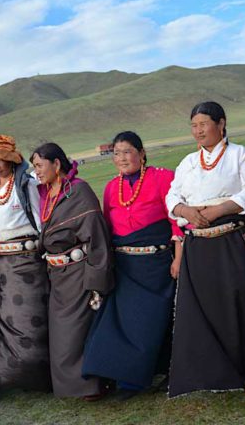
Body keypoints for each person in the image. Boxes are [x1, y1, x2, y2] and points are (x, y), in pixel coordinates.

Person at [165, 101, 245, 398]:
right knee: (204, 309)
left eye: (203, 124)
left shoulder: (240, 155)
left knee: (240, 305)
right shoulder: (187, 162)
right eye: (193, 125)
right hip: (198, 245)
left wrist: (218, 209)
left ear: (221, 124)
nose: (198, 130)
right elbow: (172, 195)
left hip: (232, 240)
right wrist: (184, 209)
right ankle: (213, 374)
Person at [83, 131, 181, 399]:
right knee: (121, 323)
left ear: (141, 152)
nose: (122, 158)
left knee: (147, 323)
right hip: (125, 266)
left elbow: (176, 220)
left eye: (127, 151)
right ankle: (125, 377)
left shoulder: (163, 177)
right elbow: (107, 224)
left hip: (156, 265)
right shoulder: (110, 187)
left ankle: (143, 376)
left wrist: (178, 258)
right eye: (116, 153)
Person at [32, 142, 114, 400]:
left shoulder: (79, 191)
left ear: (57, 164)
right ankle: (69, 387)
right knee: (61, 335)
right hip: (56, 276)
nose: (36, 172)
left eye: (40, 166)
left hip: (79, 273)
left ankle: (91, 386)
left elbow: (97, 237)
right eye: (34, 167)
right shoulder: (44, 194)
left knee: (78, 332)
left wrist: (96, 279)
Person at [0, 135, 51, 391]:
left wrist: (44, 254)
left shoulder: (26, 184)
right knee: (7, 321)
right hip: (2, 265)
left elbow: (40, 221)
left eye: (1, 159)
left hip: (28, 263)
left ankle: (42, 376)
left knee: (31, 323)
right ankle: (5, 374)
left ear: (11, 159)